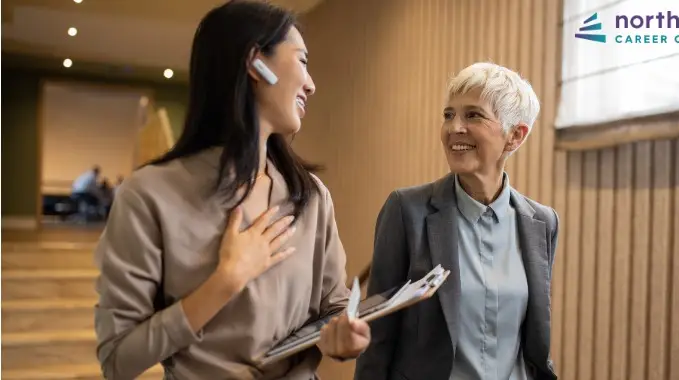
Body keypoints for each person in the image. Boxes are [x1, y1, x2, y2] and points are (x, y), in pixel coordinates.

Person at [93, 2, 370, 379]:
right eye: (302, 61)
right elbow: (118, 359)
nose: (311, 83)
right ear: (256, 62)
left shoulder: (313, 196)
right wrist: (225, 282)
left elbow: (333, 308)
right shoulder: (147, 196)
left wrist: (343, 338)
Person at [354, 63, 559, 380]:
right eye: (449, 115)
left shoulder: (541, 222)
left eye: (473, 115)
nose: (454, 128)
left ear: (515, 135)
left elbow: (533, 339)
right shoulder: (407, 211)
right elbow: (377, 339)